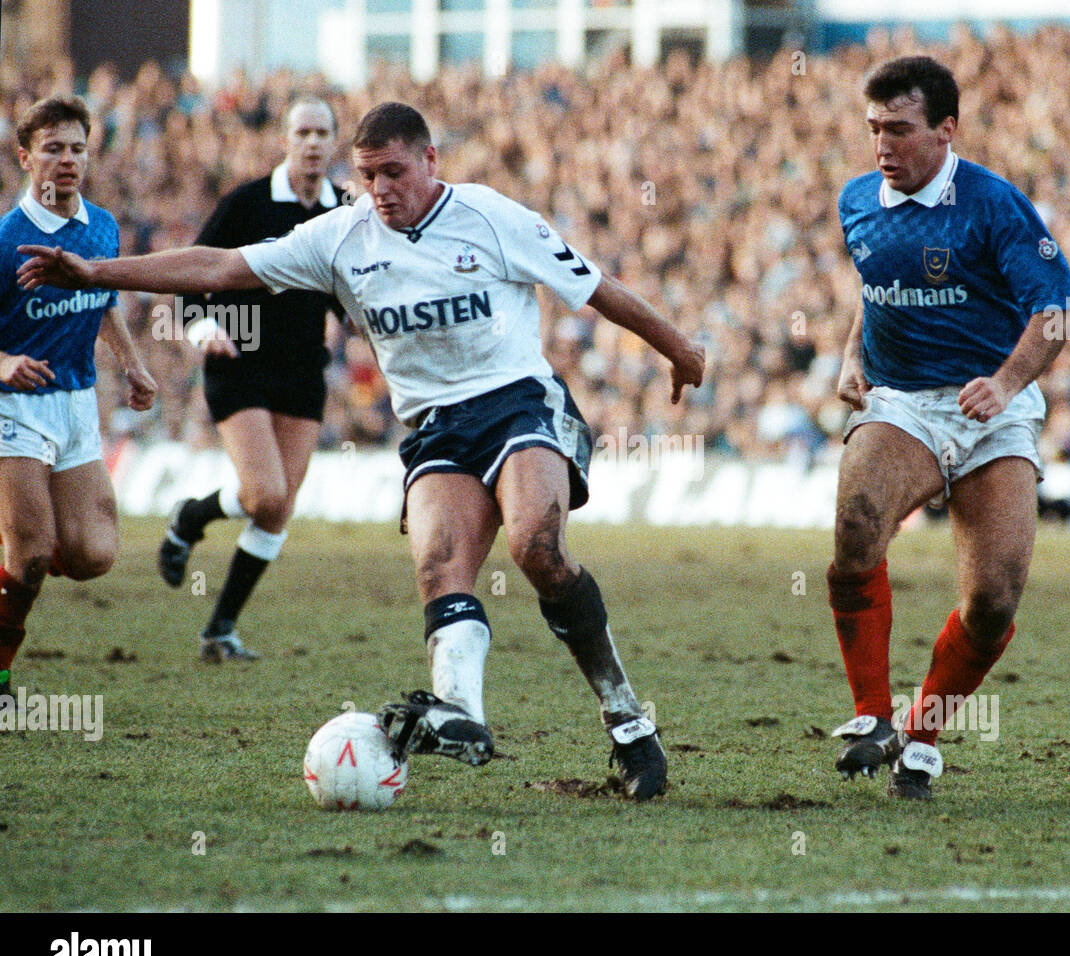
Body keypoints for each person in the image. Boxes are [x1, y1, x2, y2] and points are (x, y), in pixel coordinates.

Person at [18, 101, 705, 801]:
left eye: (395, 173)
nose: (381, 189)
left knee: (537, 547)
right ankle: (462, 711)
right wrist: (98, 272)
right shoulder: (341, 236)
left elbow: (597, 289)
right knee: (440, 569)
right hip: (436, 426)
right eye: (369, 175)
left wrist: (680, 350)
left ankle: (627, 724)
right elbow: (222, 266)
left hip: (518, 401)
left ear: (431, 162)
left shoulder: (493, 217)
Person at [826, 57, 1070, 800]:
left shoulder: (995, 205)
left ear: (946, 129)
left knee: (994, 598)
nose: (882, 145)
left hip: (991, 409)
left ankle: (922, 733)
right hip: (903, 399)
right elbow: (874, 291)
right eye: (873, 129)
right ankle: (873, 718)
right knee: (855, 522)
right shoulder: (856, 202)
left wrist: (1005, 382)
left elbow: (1057, 309)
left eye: (898, 129)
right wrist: (849, 355)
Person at [158, 97, 344, 661]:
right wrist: (204, 326)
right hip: (240, 364)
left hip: (302, 372)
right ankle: (190, 517)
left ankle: (220, 630)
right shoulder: (247, 202)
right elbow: (191, 270)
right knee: (265, 491)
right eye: (302, 131)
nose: (312, 142)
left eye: (322, 132)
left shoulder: (348, 210)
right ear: (286, 139)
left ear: (335, 142)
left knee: (277, 507)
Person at [0, 95, 156, 703]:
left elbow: (104, 300)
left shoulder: (103, 227)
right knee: (34, 552)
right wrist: (5, 361)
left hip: (77, 406)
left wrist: (134, 363)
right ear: (24, 156)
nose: (68, 160)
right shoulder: (7, 238)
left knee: (92, 554)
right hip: (15, 408)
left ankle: (15, 551)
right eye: (53, 148)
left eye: (78, 148)